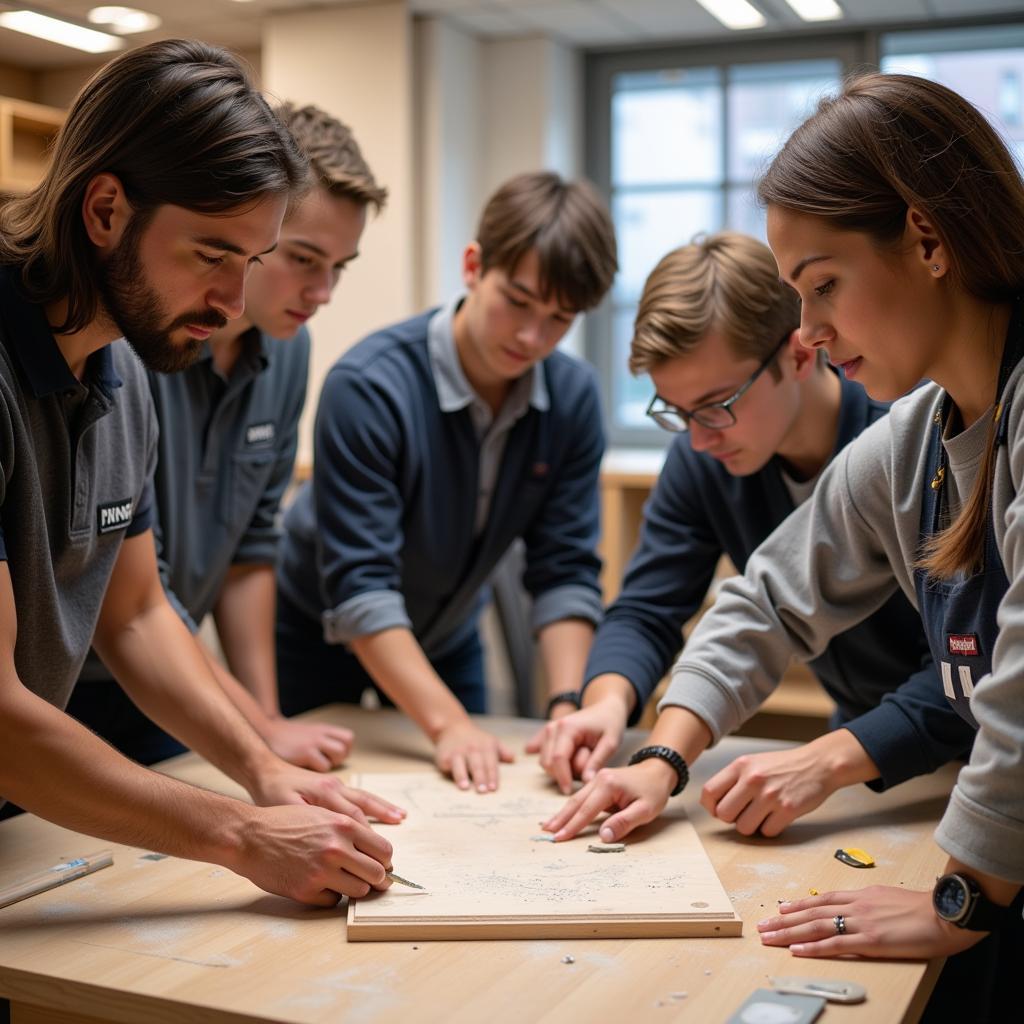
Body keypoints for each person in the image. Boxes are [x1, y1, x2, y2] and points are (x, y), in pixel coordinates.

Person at [542, 73, 1023, 1016]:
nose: (811, 330)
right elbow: (765, 601)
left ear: (927, 240)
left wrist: (961, 895)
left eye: (824, 286)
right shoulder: (914, 435)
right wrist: (664, 759)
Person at [0, 38, 401, 908]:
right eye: (211, 256)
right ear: (105, 209)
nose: (228, 303)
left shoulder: (124, 366)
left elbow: (137, 611)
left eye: (251, 264)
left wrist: (263, 769)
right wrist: (240, 834)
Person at [529, 232, 971, 818]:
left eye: (715, 405)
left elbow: (975, 665)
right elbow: (659, 607)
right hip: (863, 748)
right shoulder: (704, 455)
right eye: (676, 412)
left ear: (800, 353)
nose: (698, 438)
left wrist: (836, 756)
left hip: (974, 745)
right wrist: (611, 704)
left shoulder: (914, 437)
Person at [67, 103, 388, 773]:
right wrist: (254, 728)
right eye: (302, 258)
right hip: (72, 685)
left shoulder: (288, 353)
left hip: (174, 690)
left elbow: (251, 547)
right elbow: (128, 589)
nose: (322, 290)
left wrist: (266, 721)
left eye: (340, 268)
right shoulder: (135, 341)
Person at [275, 171, 618, 792]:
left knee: (473, 787)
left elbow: (564, 570)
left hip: (448, 629)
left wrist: (569, 703)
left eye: (559, 319)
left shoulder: (573, 399)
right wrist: (448, 725)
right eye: (517, 300)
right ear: (473, 266)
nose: (531, 337)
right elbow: (361, 590)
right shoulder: (370, 385)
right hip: (312, 629)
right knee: (318, 798)